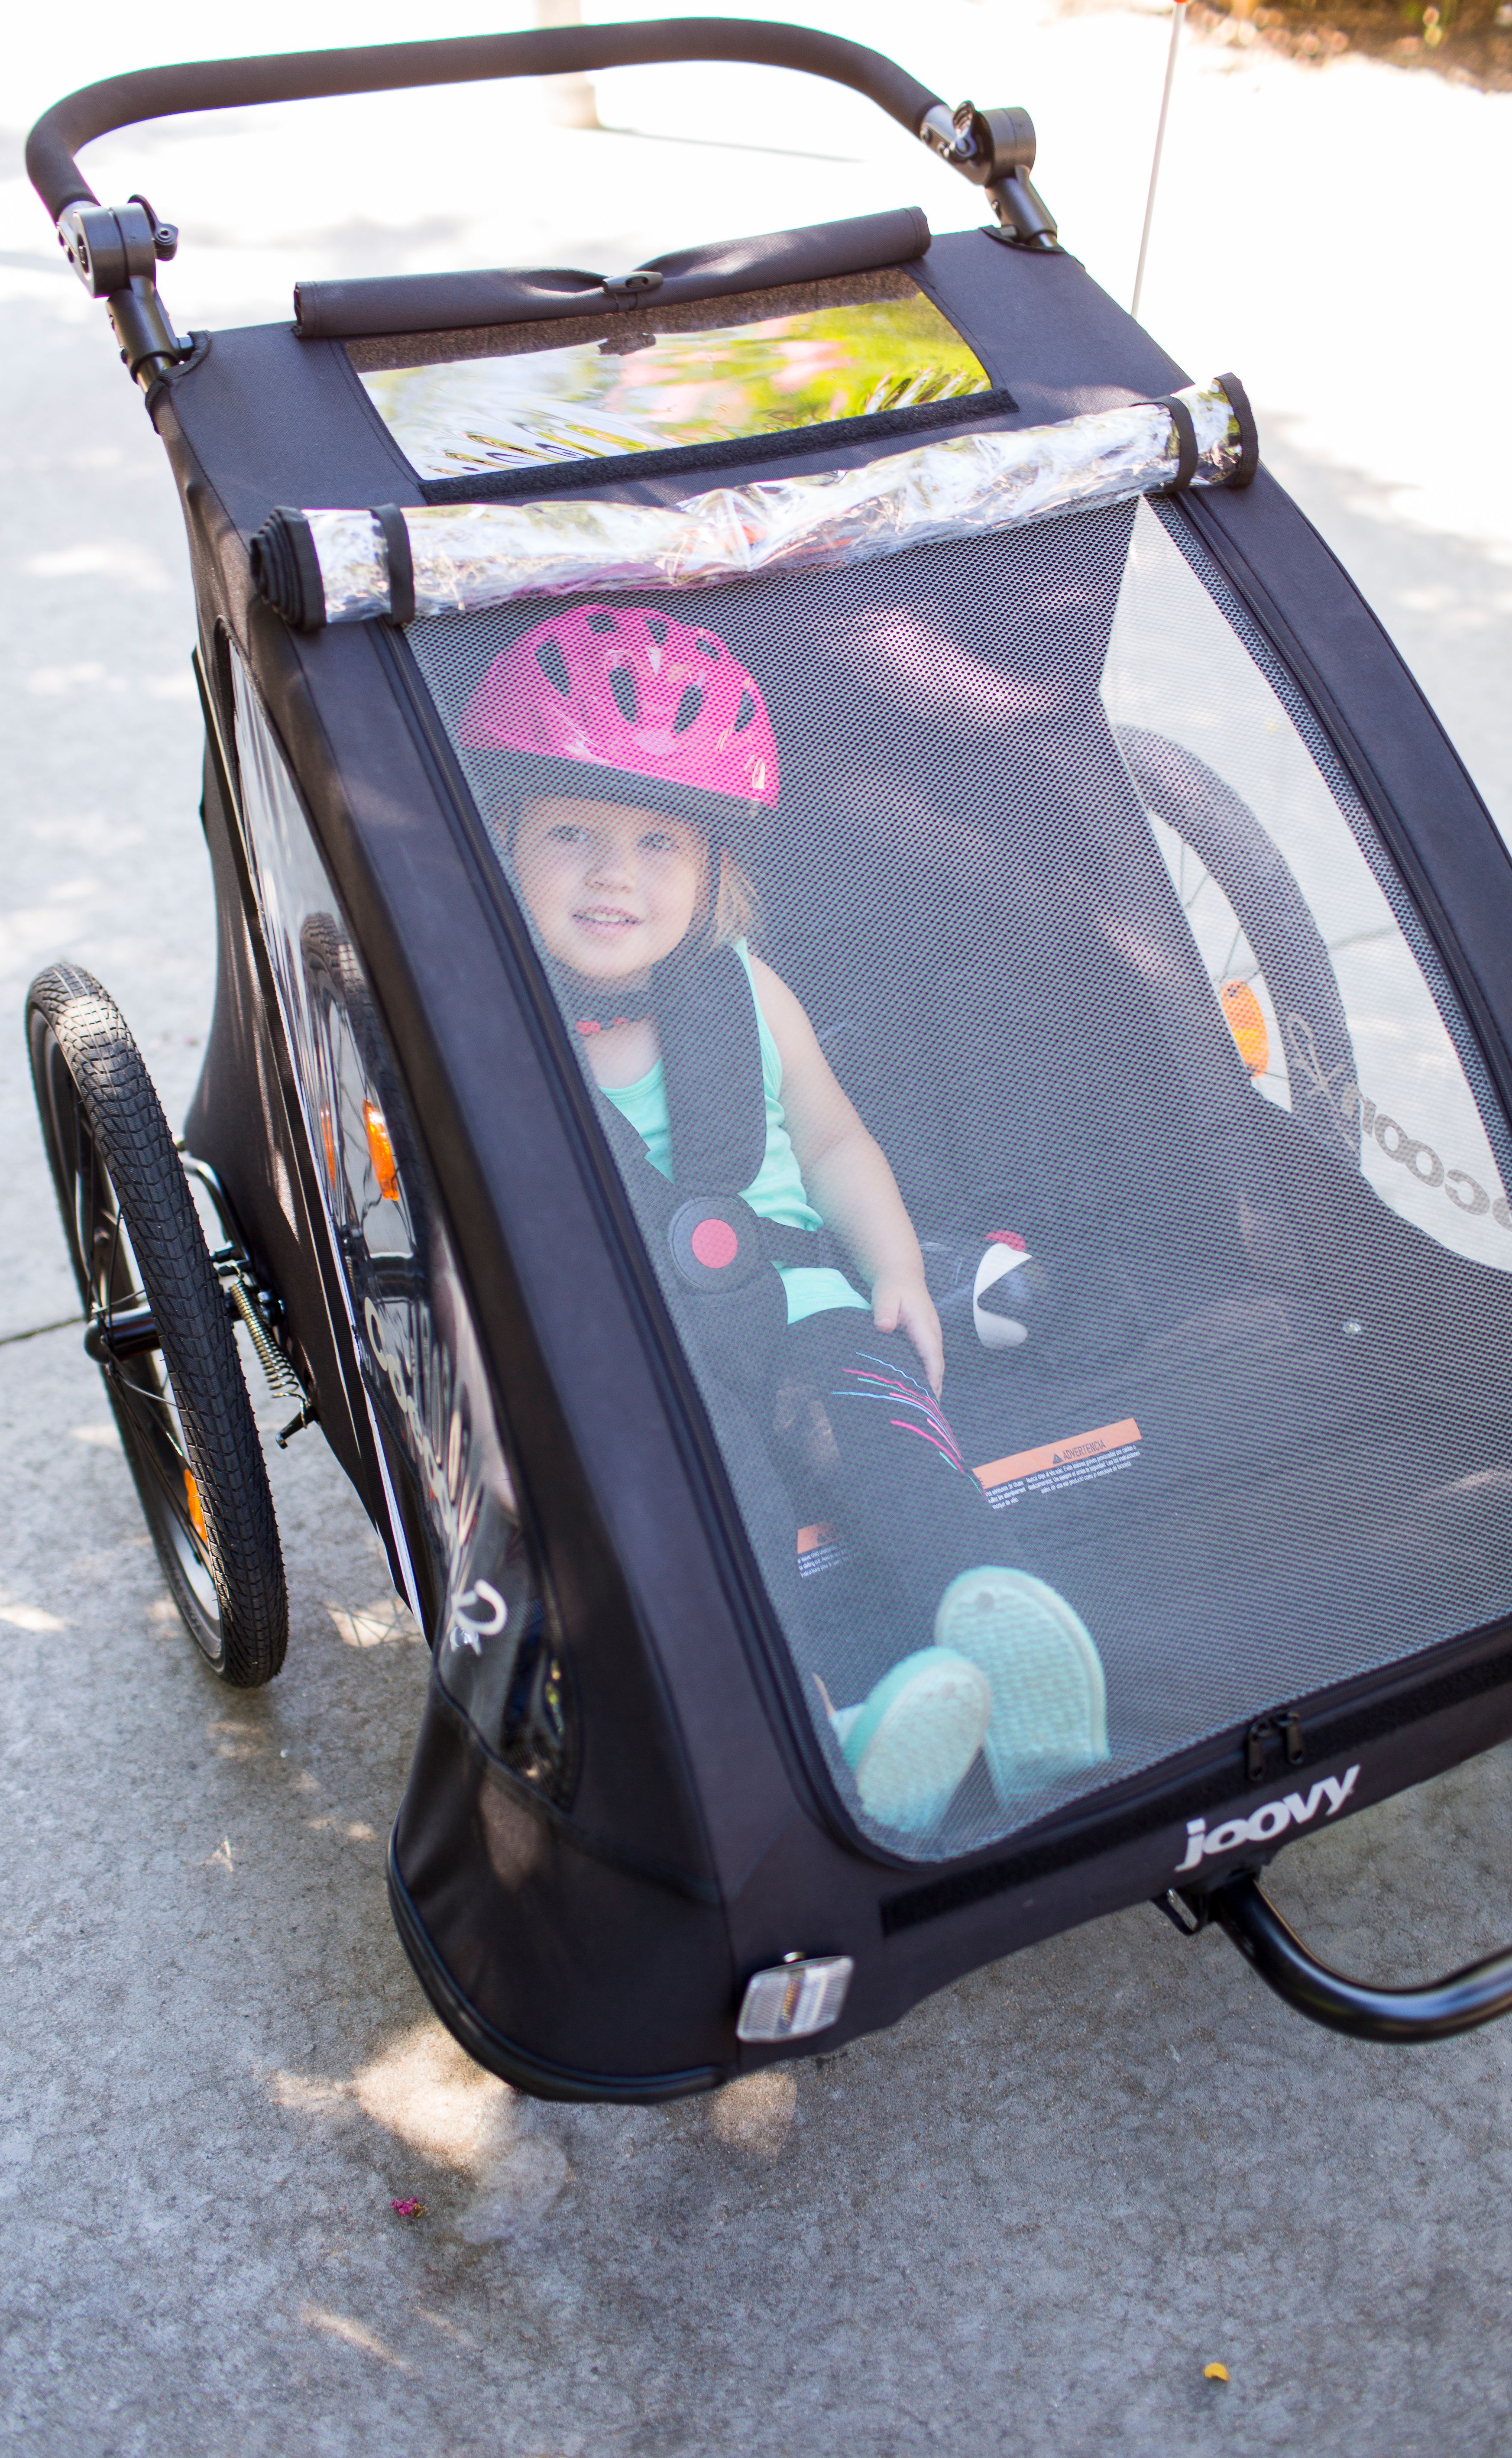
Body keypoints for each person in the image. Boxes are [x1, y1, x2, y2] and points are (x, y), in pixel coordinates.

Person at [462, 601, 1107, 1844]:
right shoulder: (494, 1023)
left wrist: (896, 1262)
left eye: (659, 841)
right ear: (504, 842)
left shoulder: (745, 990)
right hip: (636, 1350)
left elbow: (830, 1139)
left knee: (891, 1436)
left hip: (803, 1296)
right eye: (571, 835)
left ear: (714, 871)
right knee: (716, 1505)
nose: (613, 874)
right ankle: (829, 1738)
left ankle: (1012, 1635)